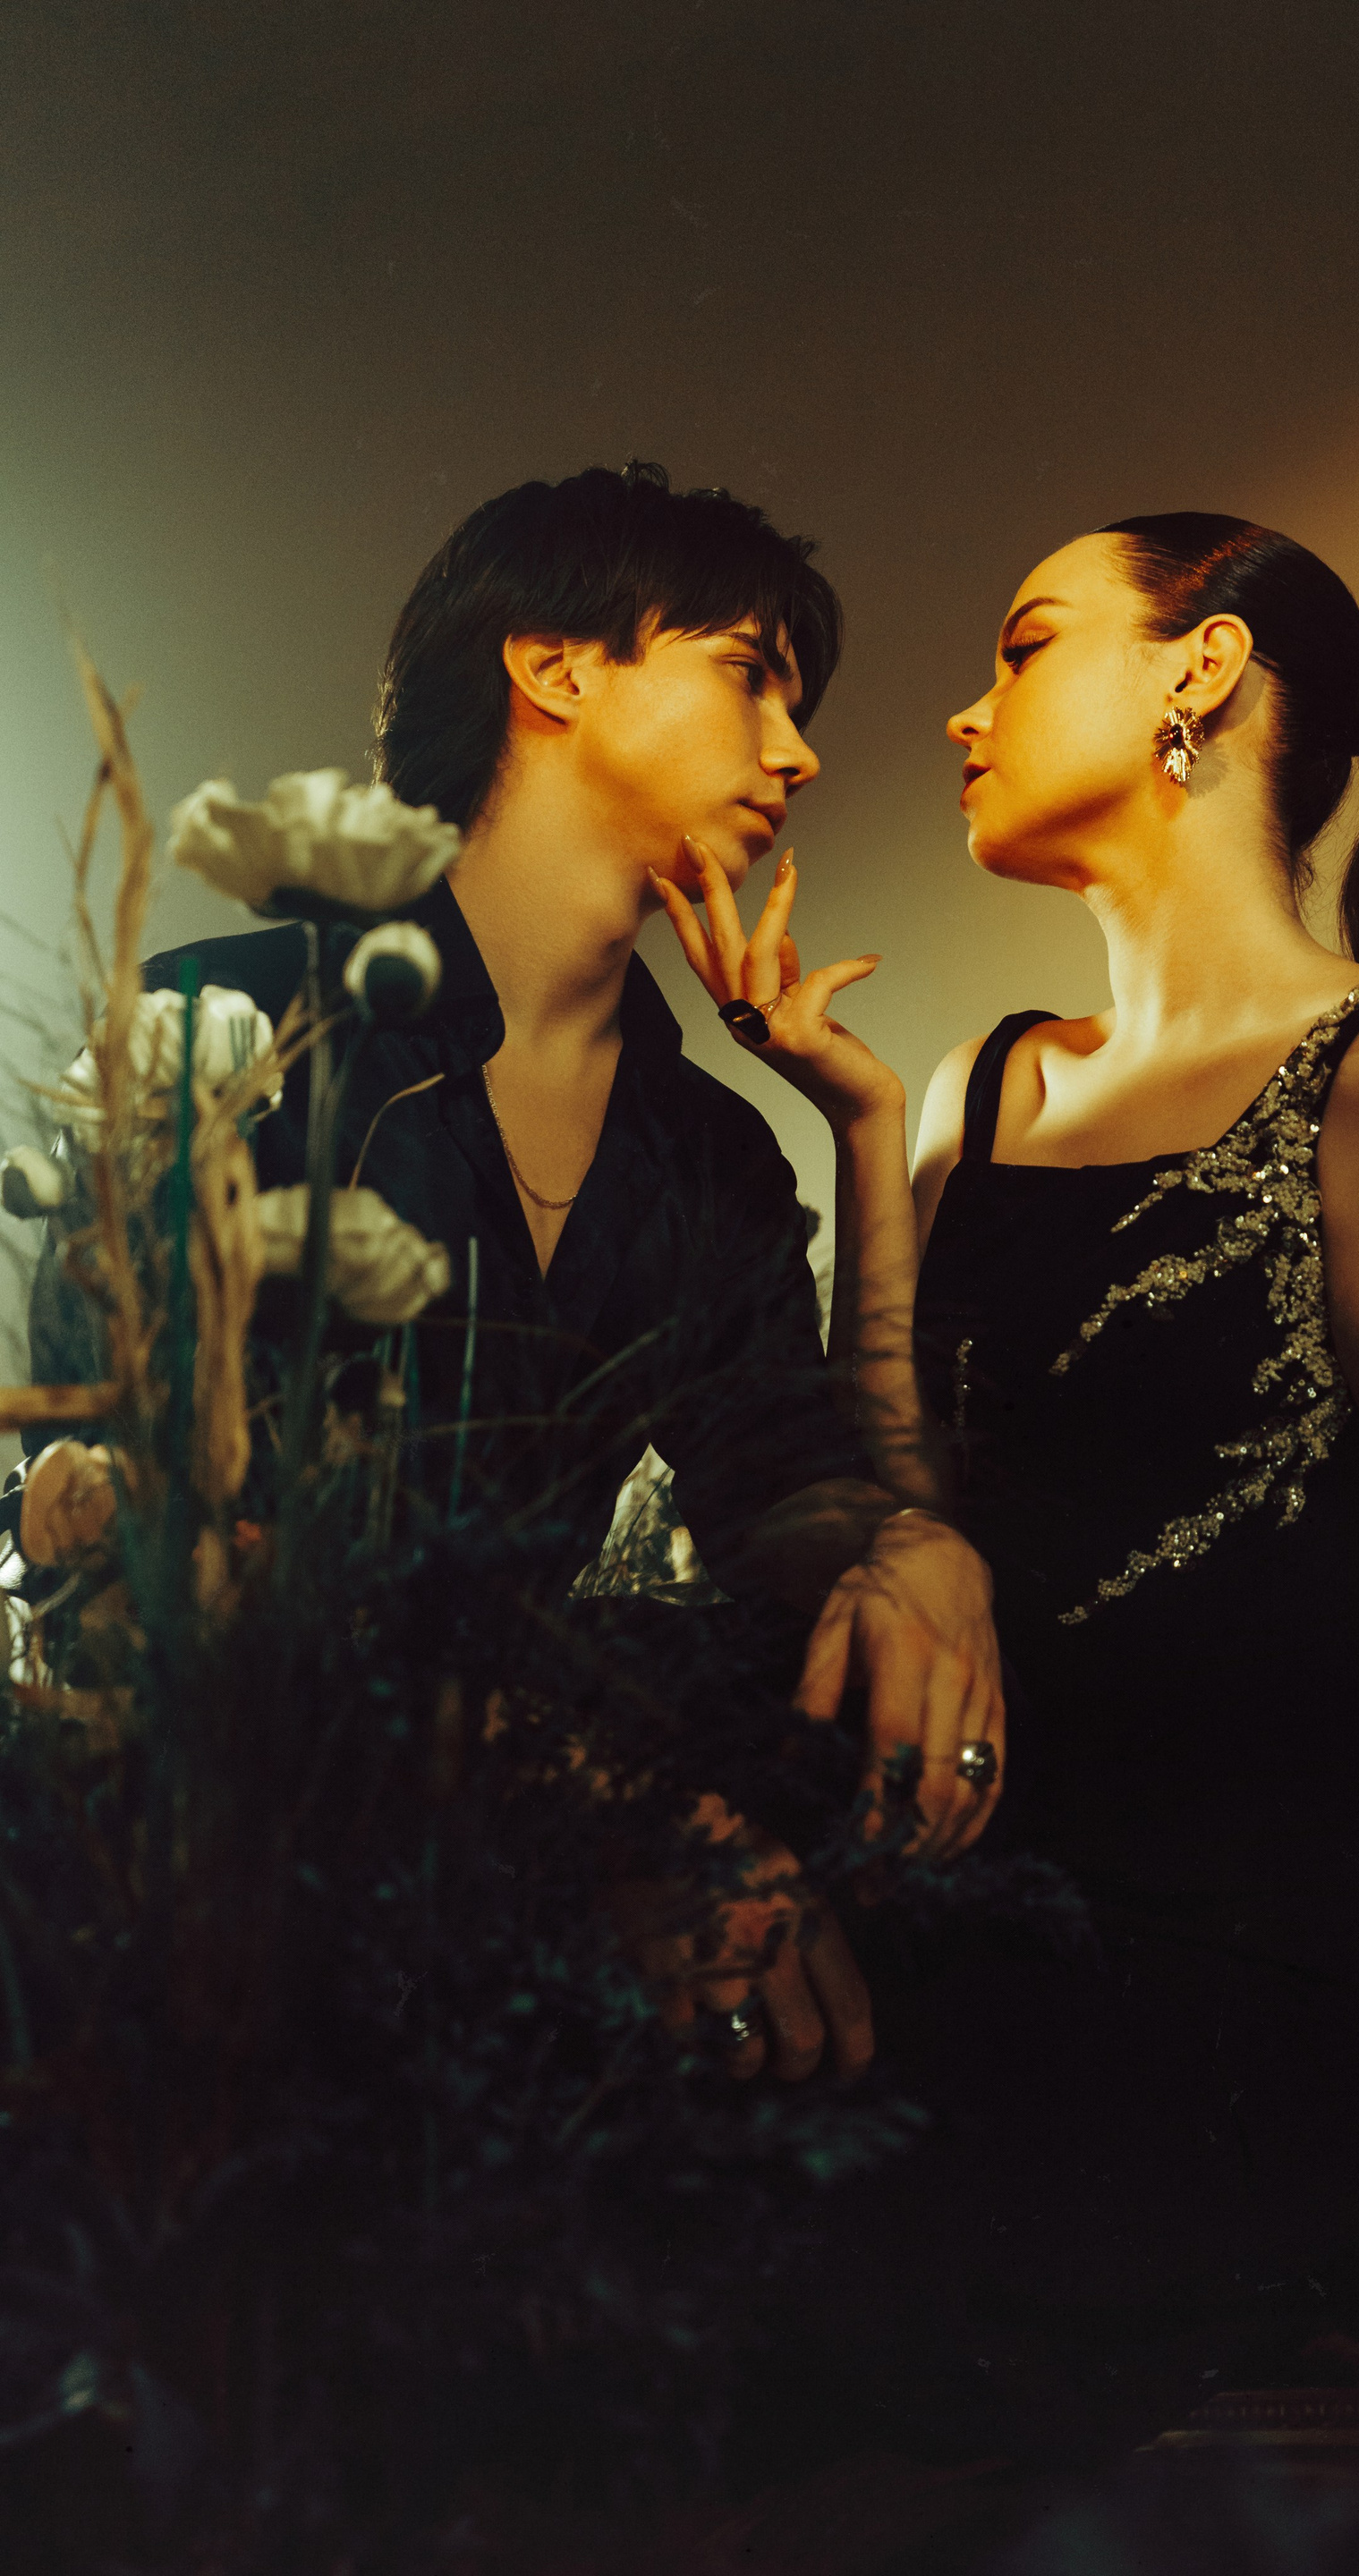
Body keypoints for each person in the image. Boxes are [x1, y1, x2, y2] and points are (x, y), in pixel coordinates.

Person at [659, 511, 1359, 2466]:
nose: (964, 709)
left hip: (1237, 1998)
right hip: (968, 1931)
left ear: (1204, 669)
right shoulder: (985, 1085)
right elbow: (911, 1520)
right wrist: (860, 1125)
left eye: (1023, 646)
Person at [18, 462, 1006, 2091]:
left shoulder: (706, 1149)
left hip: (504, 1959)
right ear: (553, 670)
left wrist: (908, 1545)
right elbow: (161, 1542)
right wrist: (622, 1813)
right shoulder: (220, 1035)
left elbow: (778, 1480)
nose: (800, 751)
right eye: (748, 674)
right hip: (187, 1941)